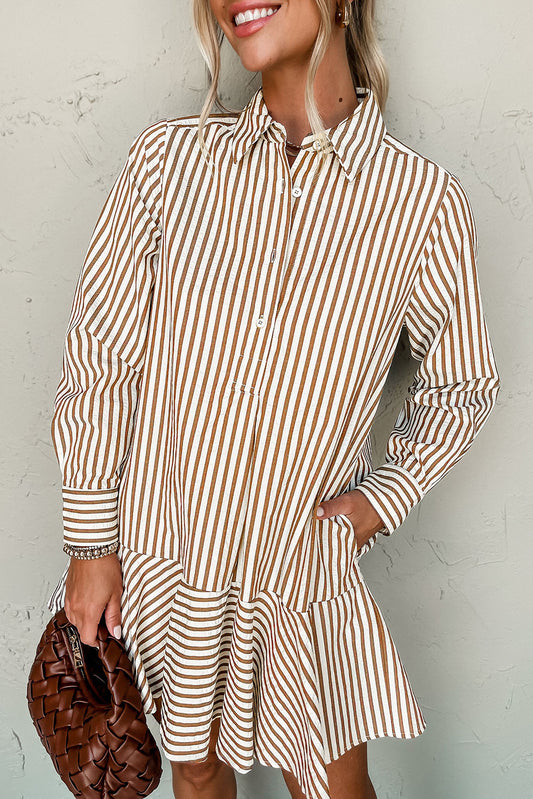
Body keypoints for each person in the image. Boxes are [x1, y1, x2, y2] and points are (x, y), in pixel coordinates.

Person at [46, 0, 501, 797]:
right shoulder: (168, 163)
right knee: (195, 768)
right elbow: (101, 353)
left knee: (330, 785)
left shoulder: (420, 203)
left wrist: (378, 501)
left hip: (298, 569)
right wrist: (90, 544)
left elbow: (460, 385)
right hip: (170, 553)